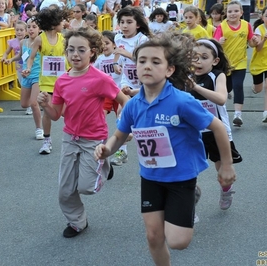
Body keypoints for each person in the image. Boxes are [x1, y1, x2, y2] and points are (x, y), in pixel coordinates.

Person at [94, 32, 236, 266]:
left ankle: (191, 198)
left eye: (155, 61)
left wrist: (227, 166)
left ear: (170, 70)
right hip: (150, 176)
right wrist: (108, 148)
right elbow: (120, 134)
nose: (147, 66)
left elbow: (218, 127)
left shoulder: (181, 101)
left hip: (181, 176)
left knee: (178, 241)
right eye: (142, 61)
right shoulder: (133, 105)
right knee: (153, 236)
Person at [37, 27, 128, 238]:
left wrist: (125, 118)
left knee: (87, 187)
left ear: (92, 52)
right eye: (70, 50)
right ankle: (78, 222)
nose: (75, 54)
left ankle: (104, 166)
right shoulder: (62, 81)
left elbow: (124, 100)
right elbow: (56, 114)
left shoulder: (100, 79)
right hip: (70, 137)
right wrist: (46, 105)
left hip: (94, 139)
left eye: (81, 50)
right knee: (65, 189)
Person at [189, 38, 242, 216]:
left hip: (216, 132)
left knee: (222, 172)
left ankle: (226, 190)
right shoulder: (187, 77)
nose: (199, 61)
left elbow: (220, 98)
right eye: (195, 57)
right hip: (194, 133)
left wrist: (196, 87)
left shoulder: (217, 75)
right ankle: (189, 202)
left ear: (215, 61)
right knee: (188, 171)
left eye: (204, 57)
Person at [23, 7, 67, 155]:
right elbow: (31, 57)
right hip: (47, 82)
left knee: (66, 112)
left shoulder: (64, 38)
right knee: (47, 113)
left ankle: (72, 138)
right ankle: (47, 141)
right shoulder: (40, 39)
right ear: (54, 23)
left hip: (64, 82)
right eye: (61, 21)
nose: (64, 23)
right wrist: (28, 68)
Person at [112, 6, 151, 166]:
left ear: (138, 24)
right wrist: (116, 63)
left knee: (146, 119)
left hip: (144, 84)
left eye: (129, 22)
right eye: (122, 22)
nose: (125, 25)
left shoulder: (143, 40)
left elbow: (140, 58)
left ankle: (152, 153)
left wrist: (124, 54)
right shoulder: (118, 38)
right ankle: (122, 151)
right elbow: (117, 52)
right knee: (122, 111)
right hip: (126, 81)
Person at [213, 0, 259, 127]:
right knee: (226, 88)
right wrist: (219, 41)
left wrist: (254, 40)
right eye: (230, 11)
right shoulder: (222, 26)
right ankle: (220, 113)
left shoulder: (246, 25)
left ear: (241, 12)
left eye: (236, 11)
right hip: (225, 63)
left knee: (238, 85)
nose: (233, 14)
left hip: (240, 62)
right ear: (226, 13)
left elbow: (251, 43)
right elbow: (214, 43)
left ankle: (237, 115)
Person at [9, 18, 44, 140]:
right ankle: (43, 101)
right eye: (29, 27)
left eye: (34, 26)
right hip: (25, 75)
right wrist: (11, 60)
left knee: (34, 103)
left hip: (37, 75)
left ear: (39, 29)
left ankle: (39, 128)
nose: (31, 29)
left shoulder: (41, 42)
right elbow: (20, 55)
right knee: (24, 104)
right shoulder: (23, 42)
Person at [94, 30, 122, 117]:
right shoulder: (99, 58)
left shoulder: (118, 56)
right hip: (106, 90)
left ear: (114, 44)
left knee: (120, 114)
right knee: (103, 111)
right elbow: (93, 71)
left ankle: (121, 129)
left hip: (119, 90)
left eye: (107, 43)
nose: (104, 46)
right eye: (102, 44)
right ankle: (99, 128)